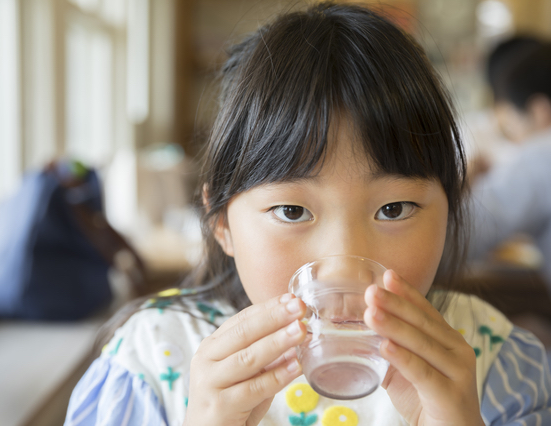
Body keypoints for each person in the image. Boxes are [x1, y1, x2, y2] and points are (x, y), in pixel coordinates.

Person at [65, 3, 551, 425]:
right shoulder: (151, 360)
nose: (343, 264)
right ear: (221, 222)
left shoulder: (490, 361)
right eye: (293, 210)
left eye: (394, 208)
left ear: (448, 213)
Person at [468, 42, 551, 288]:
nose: (512, 135)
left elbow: (462, 238)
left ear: (539, 111)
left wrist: (462, 183)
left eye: (512, 120)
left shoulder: (540, 155)